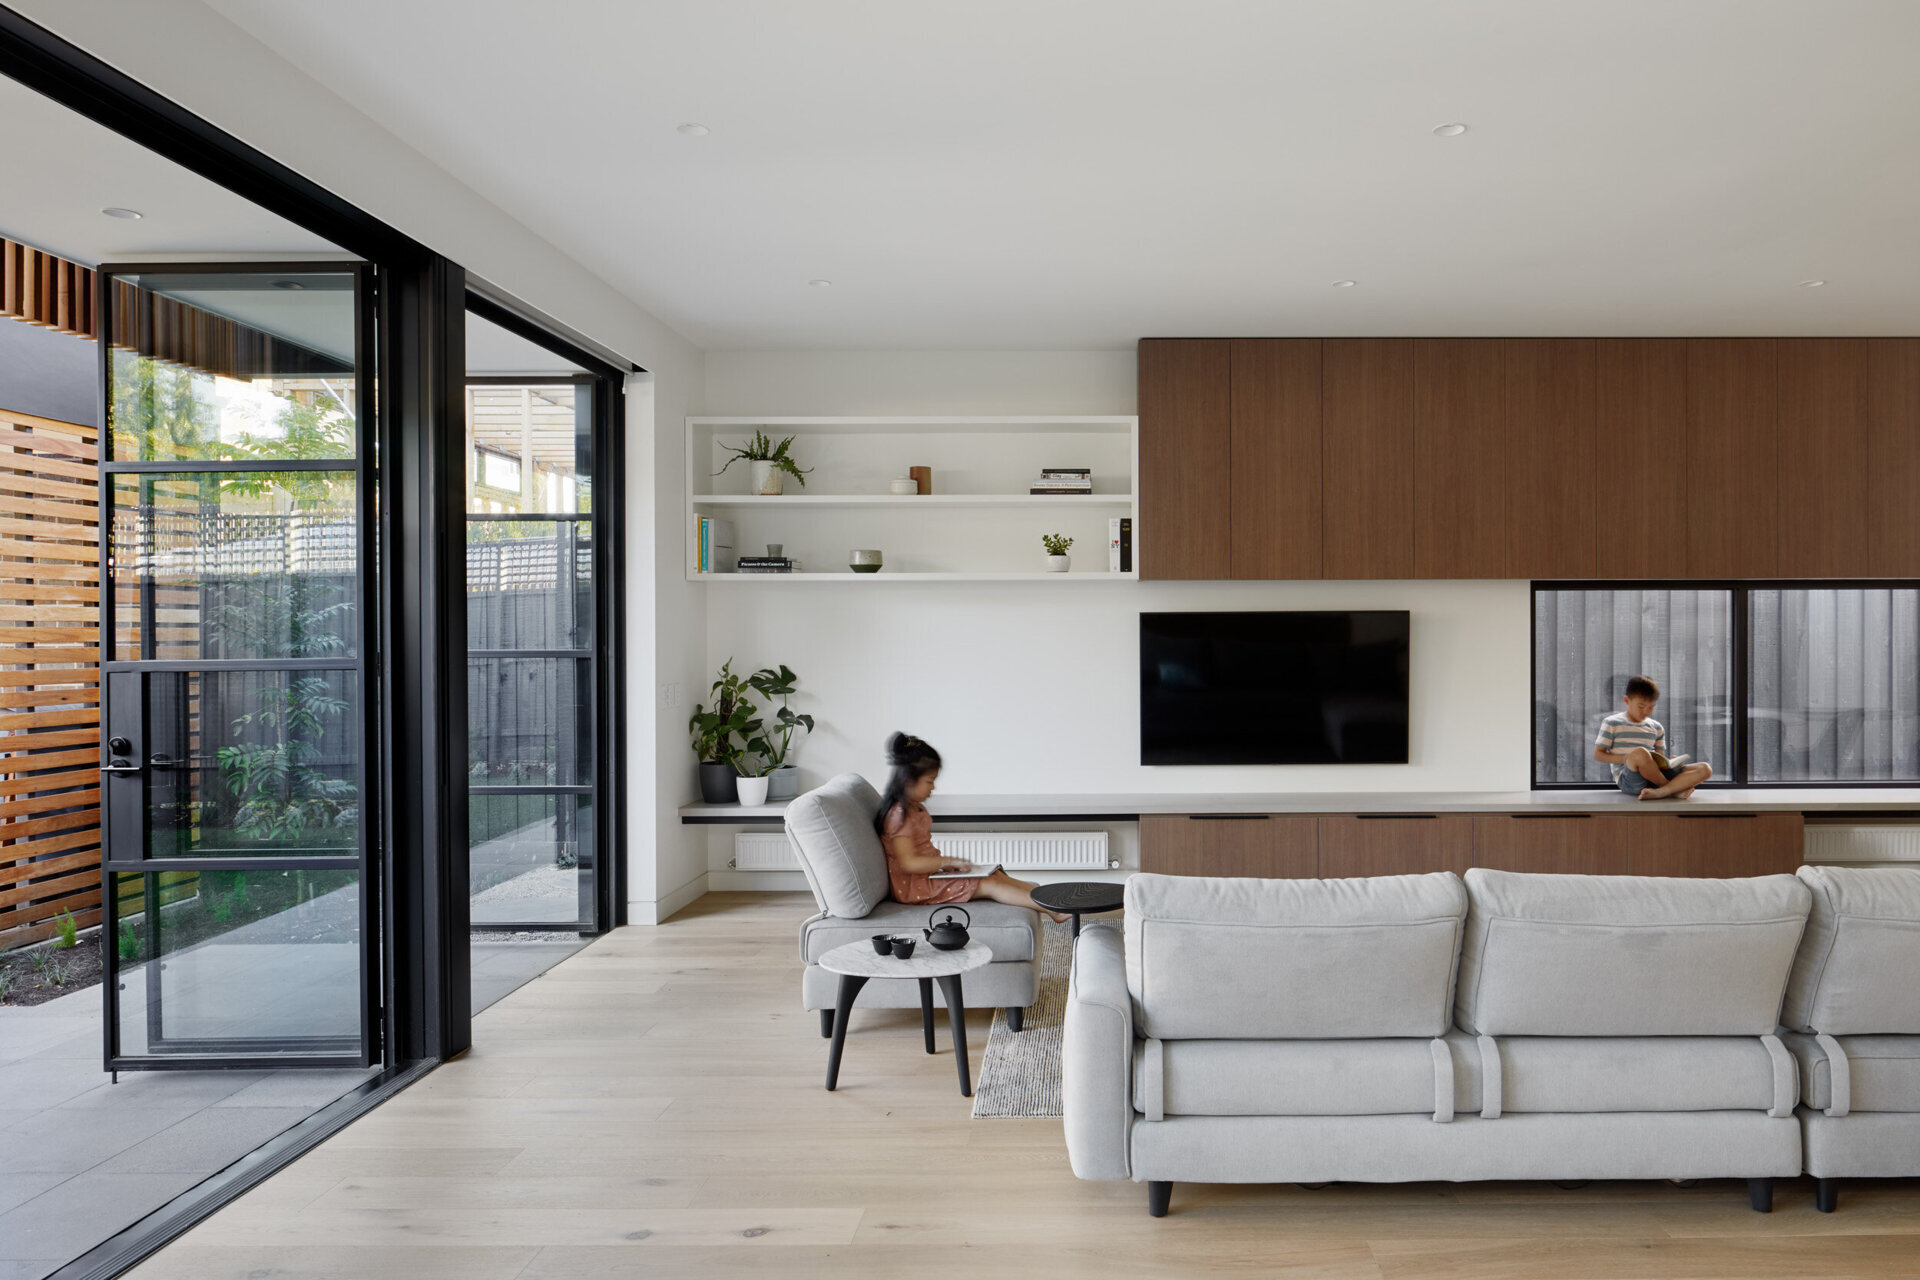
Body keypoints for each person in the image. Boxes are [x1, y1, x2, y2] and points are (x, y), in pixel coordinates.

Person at [873, 732, 1068, 922]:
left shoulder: (912, 808)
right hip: (915, 888)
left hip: (927, 878)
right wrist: (947, 861)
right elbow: (909, 863)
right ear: (907, 780)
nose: (933, 787)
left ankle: (1053, 902)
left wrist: (948, 865)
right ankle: (1052, 909)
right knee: (988, 883)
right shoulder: (899, 816)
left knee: (994, 874)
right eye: (930, 781)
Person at [1593, 674, 1714, 801]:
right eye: (1641, 706)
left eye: (1650, 707)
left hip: (1655, 775)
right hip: (1630, 779)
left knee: (1705, 768)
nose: (1645, 711)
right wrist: (1627, 758)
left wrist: (1670, 763)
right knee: (1640, 753)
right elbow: (1598, 755)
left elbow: (1659, 758)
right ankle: (1669, 790)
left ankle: (1662, 791)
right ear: (1627, 701)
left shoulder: (1656, 727)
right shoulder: (1612, 723)